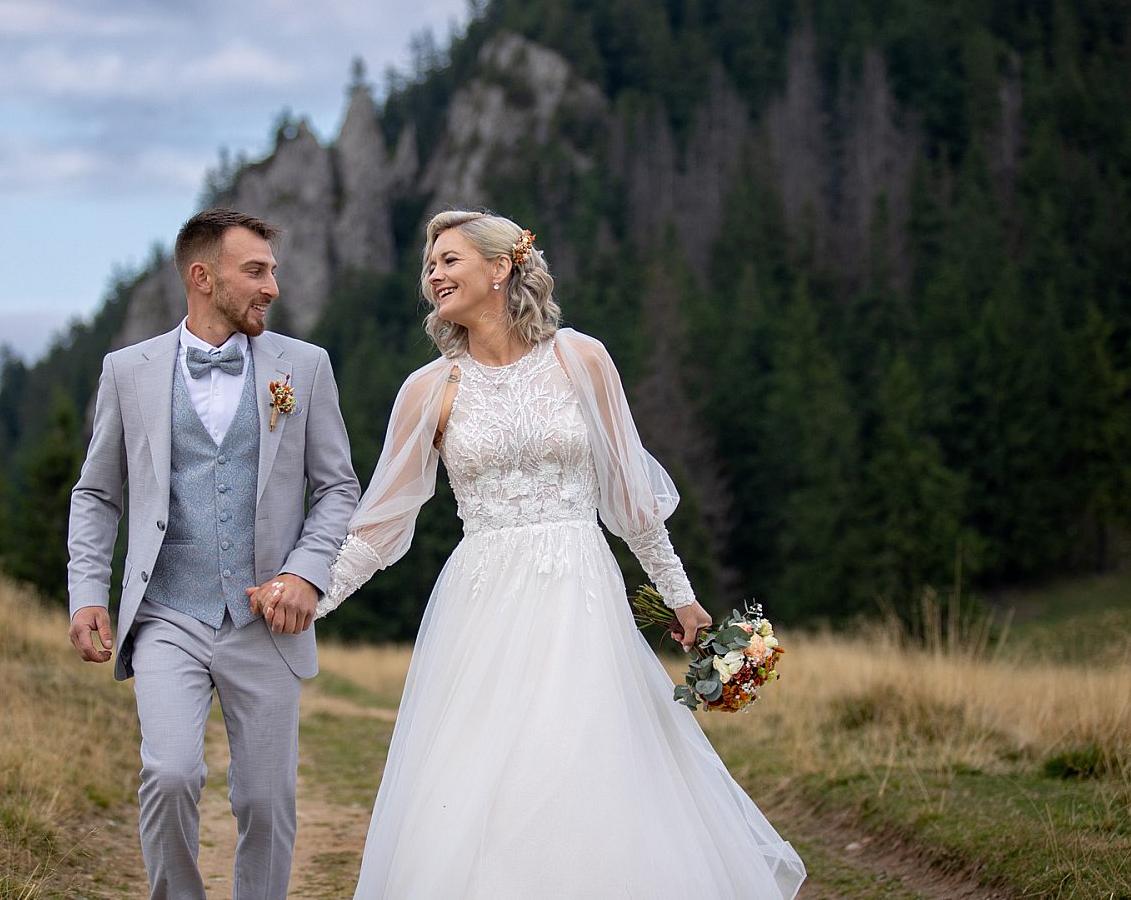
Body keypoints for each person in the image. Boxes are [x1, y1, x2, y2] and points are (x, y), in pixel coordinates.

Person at [315, 210, 806, 898]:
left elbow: (632, 501)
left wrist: (682, 598)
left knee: (582, 756)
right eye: (429, 265)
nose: (433, 274)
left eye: (449, 259)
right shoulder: (429, 390)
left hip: (579, 590)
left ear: (501, 267)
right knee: (483, 773)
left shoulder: (582, 359)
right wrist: (311, 598)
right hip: (482, 602)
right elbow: (378, 527)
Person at [67, 207, 360, 900]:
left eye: (273, 271)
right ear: (203, 277)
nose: (272, 287)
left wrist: (304, 574)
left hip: (266, 621)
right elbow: (98, 493)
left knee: (265, 798)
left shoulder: (305, 367)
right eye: (255, 271)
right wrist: (87, 594)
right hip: (168, 611)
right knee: (170, 773)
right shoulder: (128, 371)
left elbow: (338, 488)